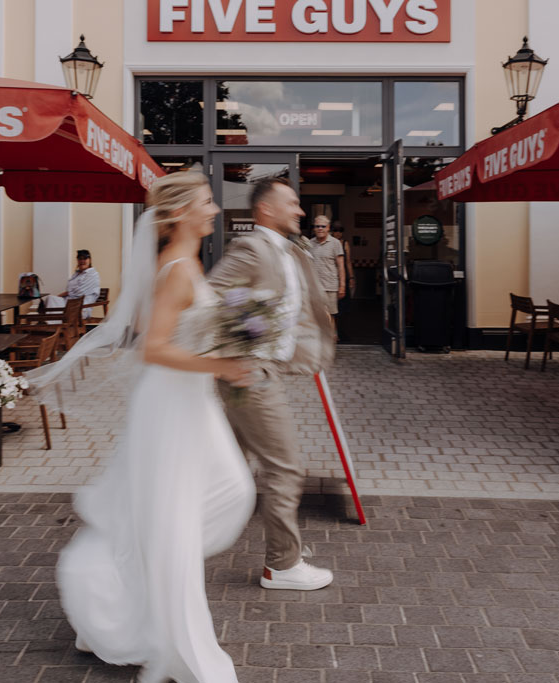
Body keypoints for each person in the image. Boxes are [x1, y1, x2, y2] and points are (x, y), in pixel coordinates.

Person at [26, 172, 256, 682]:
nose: (215, 209)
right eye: (207, 202)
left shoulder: (188, 261)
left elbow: (186, 335)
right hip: (172, 403)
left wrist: (228, 346)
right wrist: (221, 364)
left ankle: (135, 585)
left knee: (227, 492)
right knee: (180, 510)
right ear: (180, 214)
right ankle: (168, 625)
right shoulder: (176, 268)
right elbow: (154, 348)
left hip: (191, 400)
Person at [208, 177, 336, 591]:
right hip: (251, 372)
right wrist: (233, 353)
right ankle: (283, 564)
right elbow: (209, 299)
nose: (301, 212)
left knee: (228, 468)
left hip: (266, 369)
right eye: (293, 204)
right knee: (286, 467)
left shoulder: (287, 249)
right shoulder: (252, 248)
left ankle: (178, 542)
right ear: (266, 209)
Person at [310, 215, 345, 339]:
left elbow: (341, 266)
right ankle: (319, 343)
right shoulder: (310, 243)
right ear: (314, 228)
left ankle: (331, 342)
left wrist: (342, 286)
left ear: (328, 228)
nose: (320, 229)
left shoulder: (335, 243)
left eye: (323, 226)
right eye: (317, 226)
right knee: (316, 316)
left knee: (330, 316)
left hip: (330, 286)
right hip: (315, 288)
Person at [43, 249, 100, 319]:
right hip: (69, 302)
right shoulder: (76, 274)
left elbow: (79, 292)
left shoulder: (92, 274)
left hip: (81, 307)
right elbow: (70, 291)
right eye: (80, 259)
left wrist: (69, 293)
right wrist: (57, 297)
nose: (82, 261)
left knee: (54, 303)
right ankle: (51, 325)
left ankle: (54, 326)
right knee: (50, 298)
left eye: (85, 258)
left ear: (90, 260)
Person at [330, 220, 356, 298]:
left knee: (344, 302)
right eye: (335, 230)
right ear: (332, 231)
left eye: (340, 230)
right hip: (332, 277)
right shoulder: (328, 243)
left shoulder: (345, 244)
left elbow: (348, 262)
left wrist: (351, 277)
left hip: (343, 276)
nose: (338, 233)